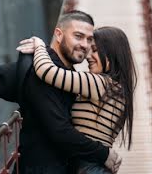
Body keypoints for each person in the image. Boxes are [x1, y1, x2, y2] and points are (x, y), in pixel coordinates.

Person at [14, 10, 122, 174]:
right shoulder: (107, 85)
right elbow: (60, 128)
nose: (86, 50)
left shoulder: (97, 82)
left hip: (87, 165)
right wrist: (104, 153)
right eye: (78, 36)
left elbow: (47, 70)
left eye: (91, 43)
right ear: (58, 34)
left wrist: (40, 47)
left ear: (110, 56)